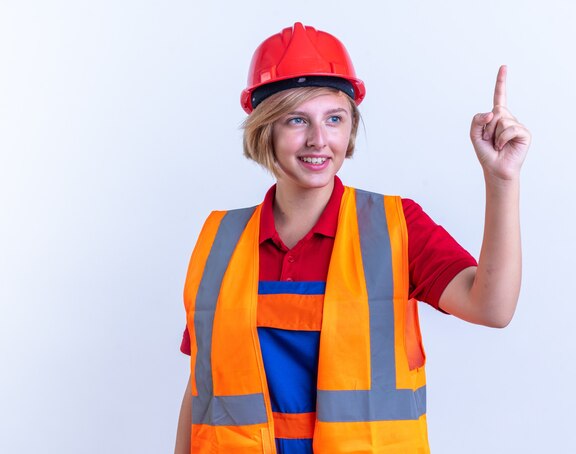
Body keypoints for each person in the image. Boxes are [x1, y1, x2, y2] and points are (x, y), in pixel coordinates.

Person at [174, 22, 531, 454]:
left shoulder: (396, 227)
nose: (319, 140)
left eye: (334, 119)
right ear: (264, 129)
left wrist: (502, 181)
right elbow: (203, 391)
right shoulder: (221, 241)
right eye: (296, 120)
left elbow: (492, 308)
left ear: (350, 128)